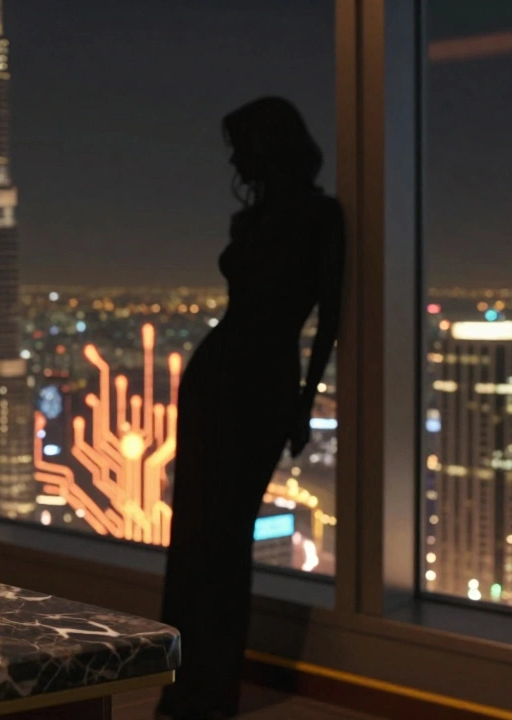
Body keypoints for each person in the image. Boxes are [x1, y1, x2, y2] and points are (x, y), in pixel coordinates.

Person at [156, 96, 344, 720]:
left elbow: (330, 318)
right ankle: (187, 685)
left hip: (261, 385)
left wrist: (304, 403)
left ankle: (211, 688)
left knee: (225, 538)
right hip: (218, 377)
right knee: (195, 536)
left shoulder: (321, 217)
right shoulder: (256, 218)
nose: (235, 160)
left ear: (268, 146)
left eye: (241, 147)